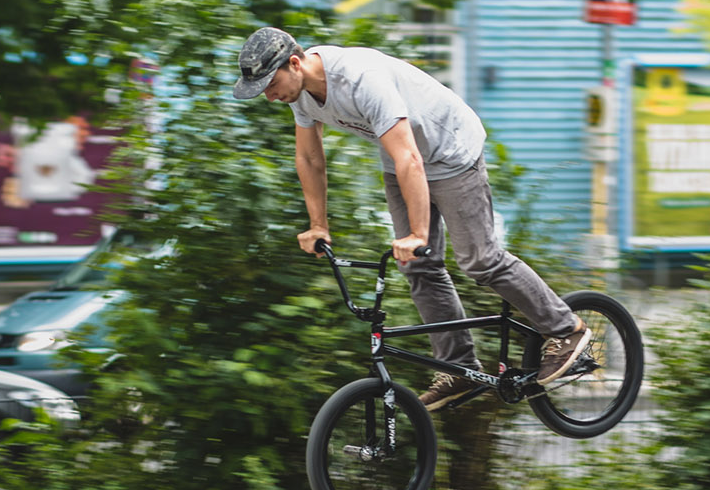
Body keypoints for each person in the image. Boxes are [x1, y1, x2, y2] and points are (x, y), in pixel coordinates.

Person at [231, 26, 590, 412]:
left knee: (479, 259)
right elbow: (309, 158)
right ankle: (459, 368)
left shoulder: (359, 78)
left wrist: (419, 233)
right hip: (403, 158)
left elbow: (411, 159)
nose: (269, 96)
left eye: (270, 83)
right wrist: (319, 225)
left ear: (295, 63)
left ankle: (566, 328)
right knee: (416, 266)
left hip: (450, 152)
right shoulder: (300, 95)